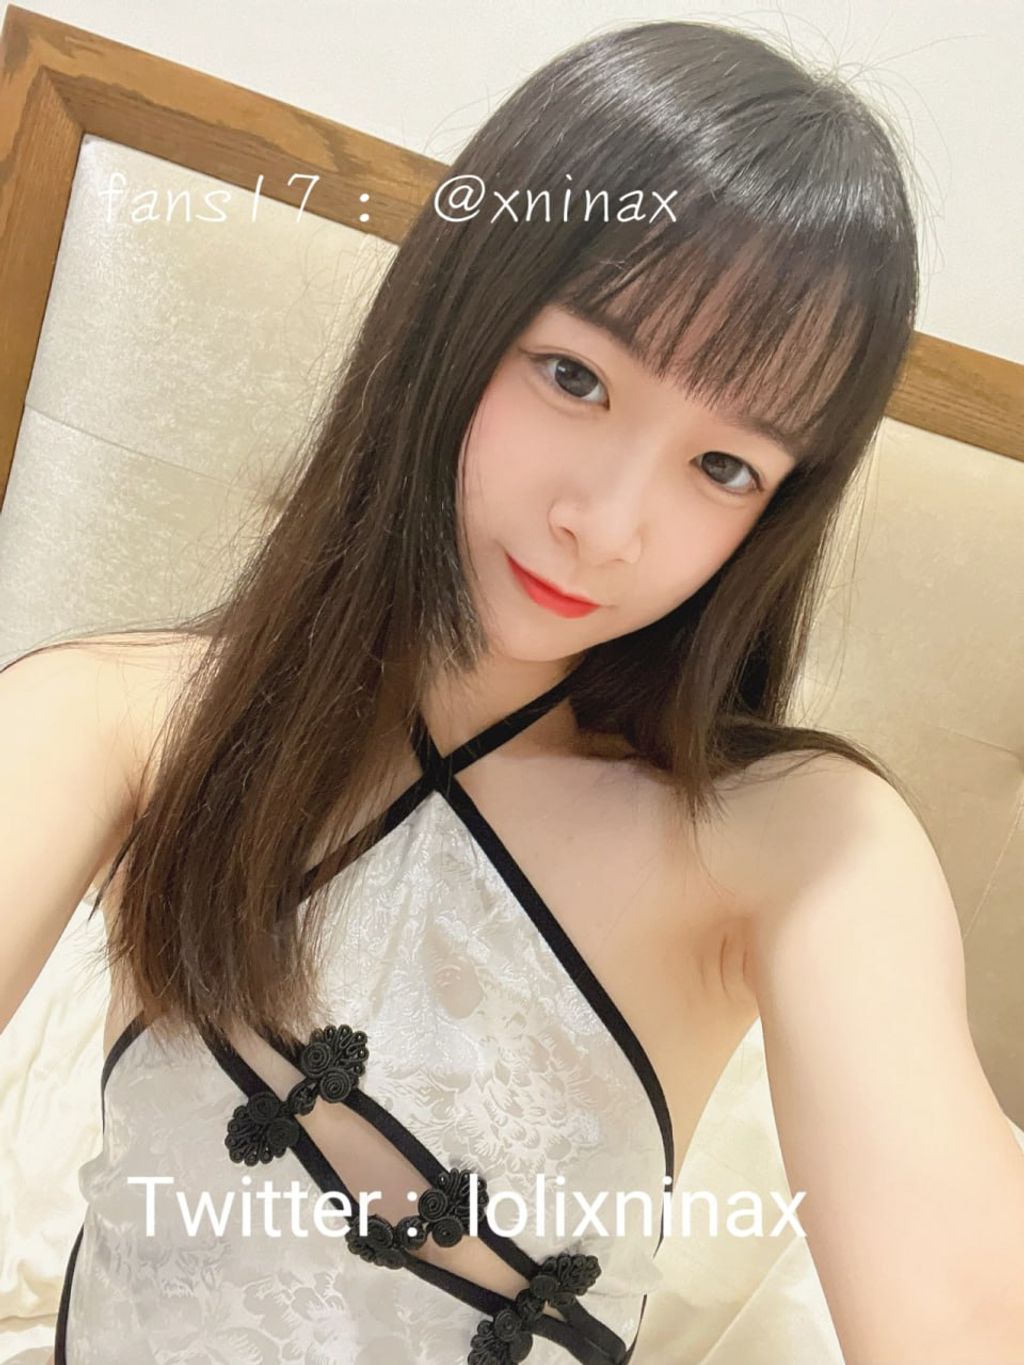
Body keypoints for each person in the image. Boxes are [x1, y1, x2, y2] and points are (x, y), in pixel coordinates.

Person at [2, 17, 1022, 1365]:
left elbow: (963, 1304)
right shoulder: (125, 719)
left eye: (724, 467)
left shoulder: (798, 837)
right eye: (574, 376)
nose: (607, 525)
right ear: (456, 318)